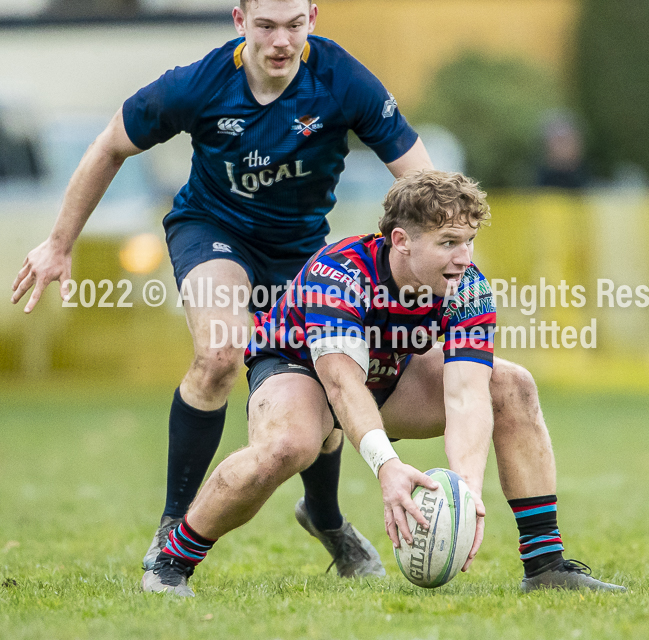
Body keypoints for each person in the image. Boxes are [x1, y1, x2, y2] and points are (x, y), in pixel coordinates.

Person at [10, 0, 433, 577]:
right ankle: (173, 525)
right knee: (218, 355)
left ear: (313, 15)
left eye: (294, 25)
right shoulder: (199, 85)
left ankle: (326, 516)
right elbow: (111, 144)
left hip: (302, 252)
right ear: (239, 21)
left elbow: (421, 178)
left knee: (328, 380)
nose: (281, 41)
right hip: (212, 232)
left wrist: (443, 257)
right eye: (265, 26)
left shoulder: (343, 80)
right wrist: (58, 244)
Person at [141, 170, 626, 596]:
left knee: (512, 384)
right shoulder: (339, 273)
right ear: (401, 241)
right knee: (290, 445)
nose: (464, 257)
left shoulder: (468, 286)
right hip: (300, 369)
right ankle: (171, 562)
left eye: (469, 240)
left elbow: (466, 393)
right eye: (448, 243)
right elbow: (341, 384)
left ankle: (545, 564)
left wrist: (466, 494)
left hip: (390, 371)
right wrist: (387, 467)